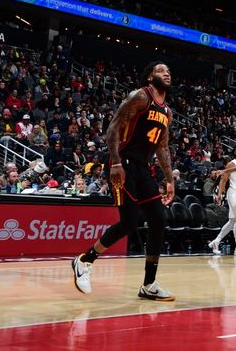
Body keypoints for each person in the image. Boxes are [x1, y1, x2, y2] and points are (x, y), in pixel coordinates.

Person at [71, 62, 175, 301]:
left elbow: (163, 147)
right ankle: (84, 261)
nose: (166, 73)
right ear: (150, 77)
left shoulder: (167, 112)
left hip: (143, 168)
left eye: (168, 71)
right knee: (130, 221)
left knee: (159, 219)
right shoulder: (140, 96)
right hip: (123, 163)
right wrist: (115, 162)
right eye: (161, 70)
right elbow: (113, 129)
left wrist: (169, 179)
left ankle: (149, 284)